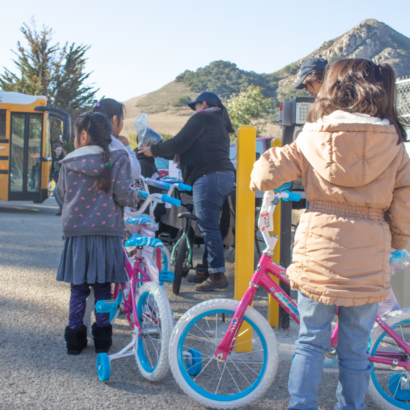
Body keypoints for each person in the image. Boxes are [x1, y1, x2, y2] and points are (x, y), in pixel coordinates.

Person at [251, 58, 410, 410]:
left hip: (319, 251)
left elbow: (264, 176)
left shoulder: (313, 136)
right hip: (369, 255)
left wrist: (261, 170)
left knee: (309, 342)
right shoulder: (396, 146)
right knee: (355, 349)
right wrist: (393, 245)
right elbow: (403, 213)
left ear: (333, 89)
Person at [56, 112, 138, 355]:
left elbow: (61, 195)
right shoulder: (118, 158)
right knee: (103, 287)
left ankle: (75, 339)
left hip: (77, 234)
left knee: (79, 288)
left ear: (83, 135)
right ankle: (102, 338)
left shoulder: (68, 162)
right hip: (107, 233)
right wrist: (134, 198)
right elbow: (124, 195)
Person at [139, 92, 235, 292]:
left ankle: (217, 275)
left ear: (203, 104)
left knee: (207, 225)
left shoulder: (203, 117)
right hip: (222, 176)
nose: (195, 110)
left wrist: (153, 151)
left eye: (196, 106)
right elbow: (183, 146)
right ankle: (207, 270)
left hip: (208, 176)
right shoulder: (218, 123)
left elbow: (179, 142)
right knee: (211, 224)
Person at [93, 98, 141, 179]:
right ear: (115, 120)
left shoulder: (89, 139)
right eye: (122, 119)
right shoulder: (116, 143)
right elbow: (135, 173)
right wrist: (127, 147)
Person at [50, 144, 65, 215]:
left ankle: (62, 207)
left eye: (60, 150)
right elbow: (52, 169)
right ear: (54, 150)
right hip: (56, 179)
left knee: (55, 192)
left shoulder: (63, 158)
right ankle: (62, 208)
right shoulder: (53, 158)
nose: (60, 151)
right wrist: (50, 177)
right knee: (58, 193)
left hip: (62, 179)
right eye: (58, 150)